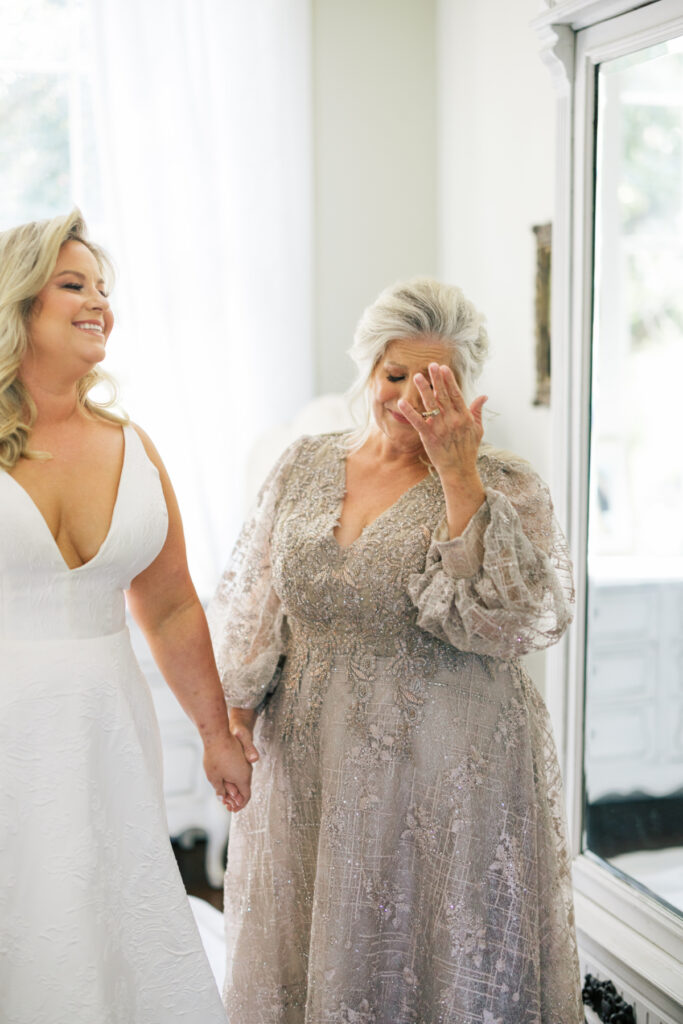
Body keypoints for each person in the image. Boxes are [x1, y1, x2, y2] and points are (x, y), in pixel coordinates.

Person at [208, 277, 584, 1024]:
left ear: (468, 387)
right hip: (309, 760)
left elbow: (513, 621)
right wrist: (234, 714)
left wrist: (457, 474)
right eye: (395, 376)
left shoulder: (504, 484)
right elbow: (258, 600)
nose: (412, 397)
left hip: (444, 768)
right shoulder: (303, 464)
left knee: (430, 949)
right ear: (368, 371)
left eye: (436, 382)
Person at [0, 209, 251, 1024]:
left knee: (109, 915)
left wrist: (215, 732)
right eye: (72, 285)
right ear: (18, 304)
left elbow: (172, 603)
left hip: (107, 727)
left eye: (104, 290)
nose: (98, 304)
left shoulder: (131, 445)